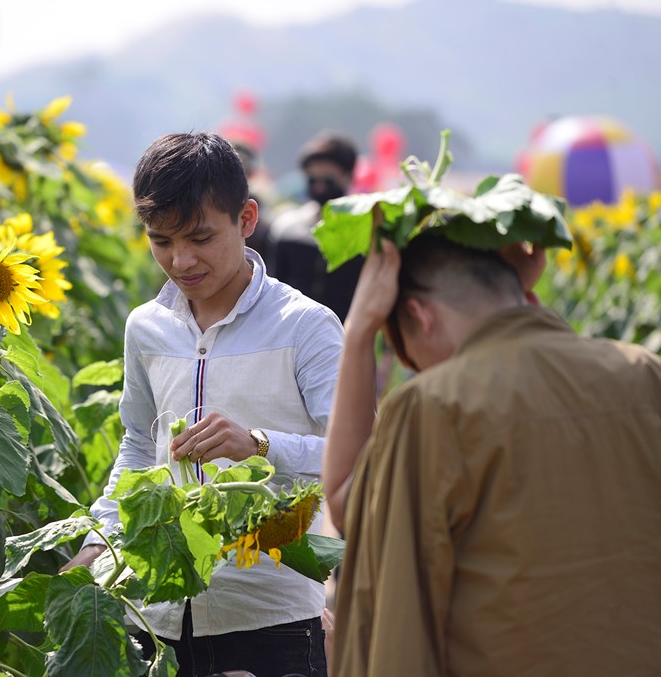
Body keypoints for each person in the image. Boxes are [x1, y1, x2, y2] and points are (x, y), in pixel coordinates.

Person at [60, 132, 345, 677]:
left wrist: (260, 444)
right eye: (161, 241)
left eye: (199, 237)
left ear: (246, 219)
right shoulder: (146, 327)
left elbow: (363, 453)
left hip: (269, 616)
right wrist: (100, 540)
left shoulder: (305, 326)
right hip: (155, 614)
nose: (181, 260)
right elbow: (140, 446)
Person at [325, 231, 661, 677]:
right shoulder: (643, 374)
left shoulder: (433, 405)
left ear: (419, 316)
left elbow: (348, 504)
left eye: (412, 357)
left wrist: (359, 332)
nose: (420, 370)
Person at [266, 131, 362, 324]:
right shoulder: (287, 229)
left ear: (349, 177)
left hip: (347, 339)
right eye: (312, 180)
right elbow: (273, 290)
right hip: (294, 336)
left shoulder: (364, 232)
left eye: (328, 181)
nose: (319, 187)